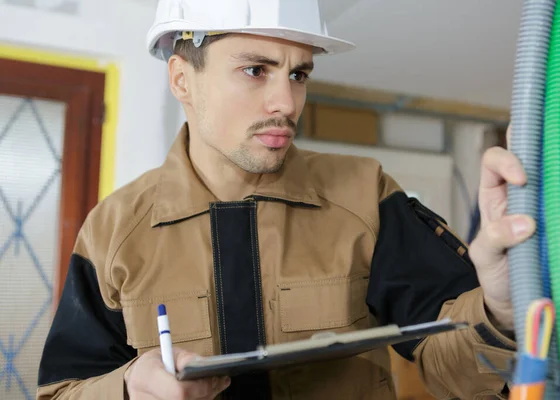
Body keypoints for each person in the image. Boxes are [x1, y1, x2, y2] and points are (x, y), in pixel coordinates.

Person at [37, 1, 534, 399]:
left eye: (298, 75)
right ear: (181, 79)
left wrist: (499, 309)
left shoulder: (365, 197)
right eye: (256, 70)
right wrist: (126, 389)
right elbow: (61, 392)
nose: (287, 103)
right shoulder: (113, 231)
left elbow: (464, 372)